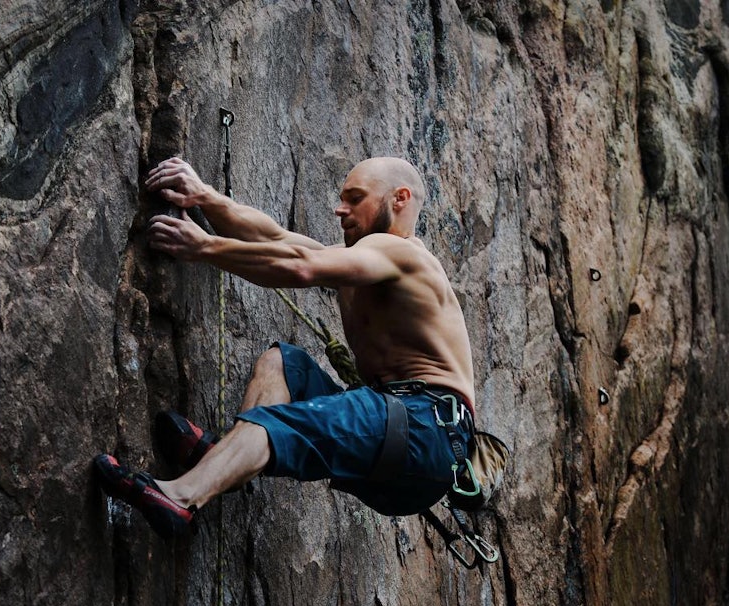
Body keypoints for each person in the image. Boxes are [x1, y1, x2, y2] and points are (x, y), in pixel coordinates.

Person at [94, 156, 477, 538]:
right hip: (410, 460)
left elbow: (300, 265)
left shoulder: (402, 252)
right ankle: (227, 461)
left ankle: (180, 497)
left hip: (425, 426)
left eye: (355, 198)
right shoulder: (365, 262)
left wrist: (204, 247)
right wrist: (207, 198)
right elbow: (274, 240)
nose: (339, 209)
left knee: (278, 421)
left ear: (399, 199)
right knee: (285, 364)